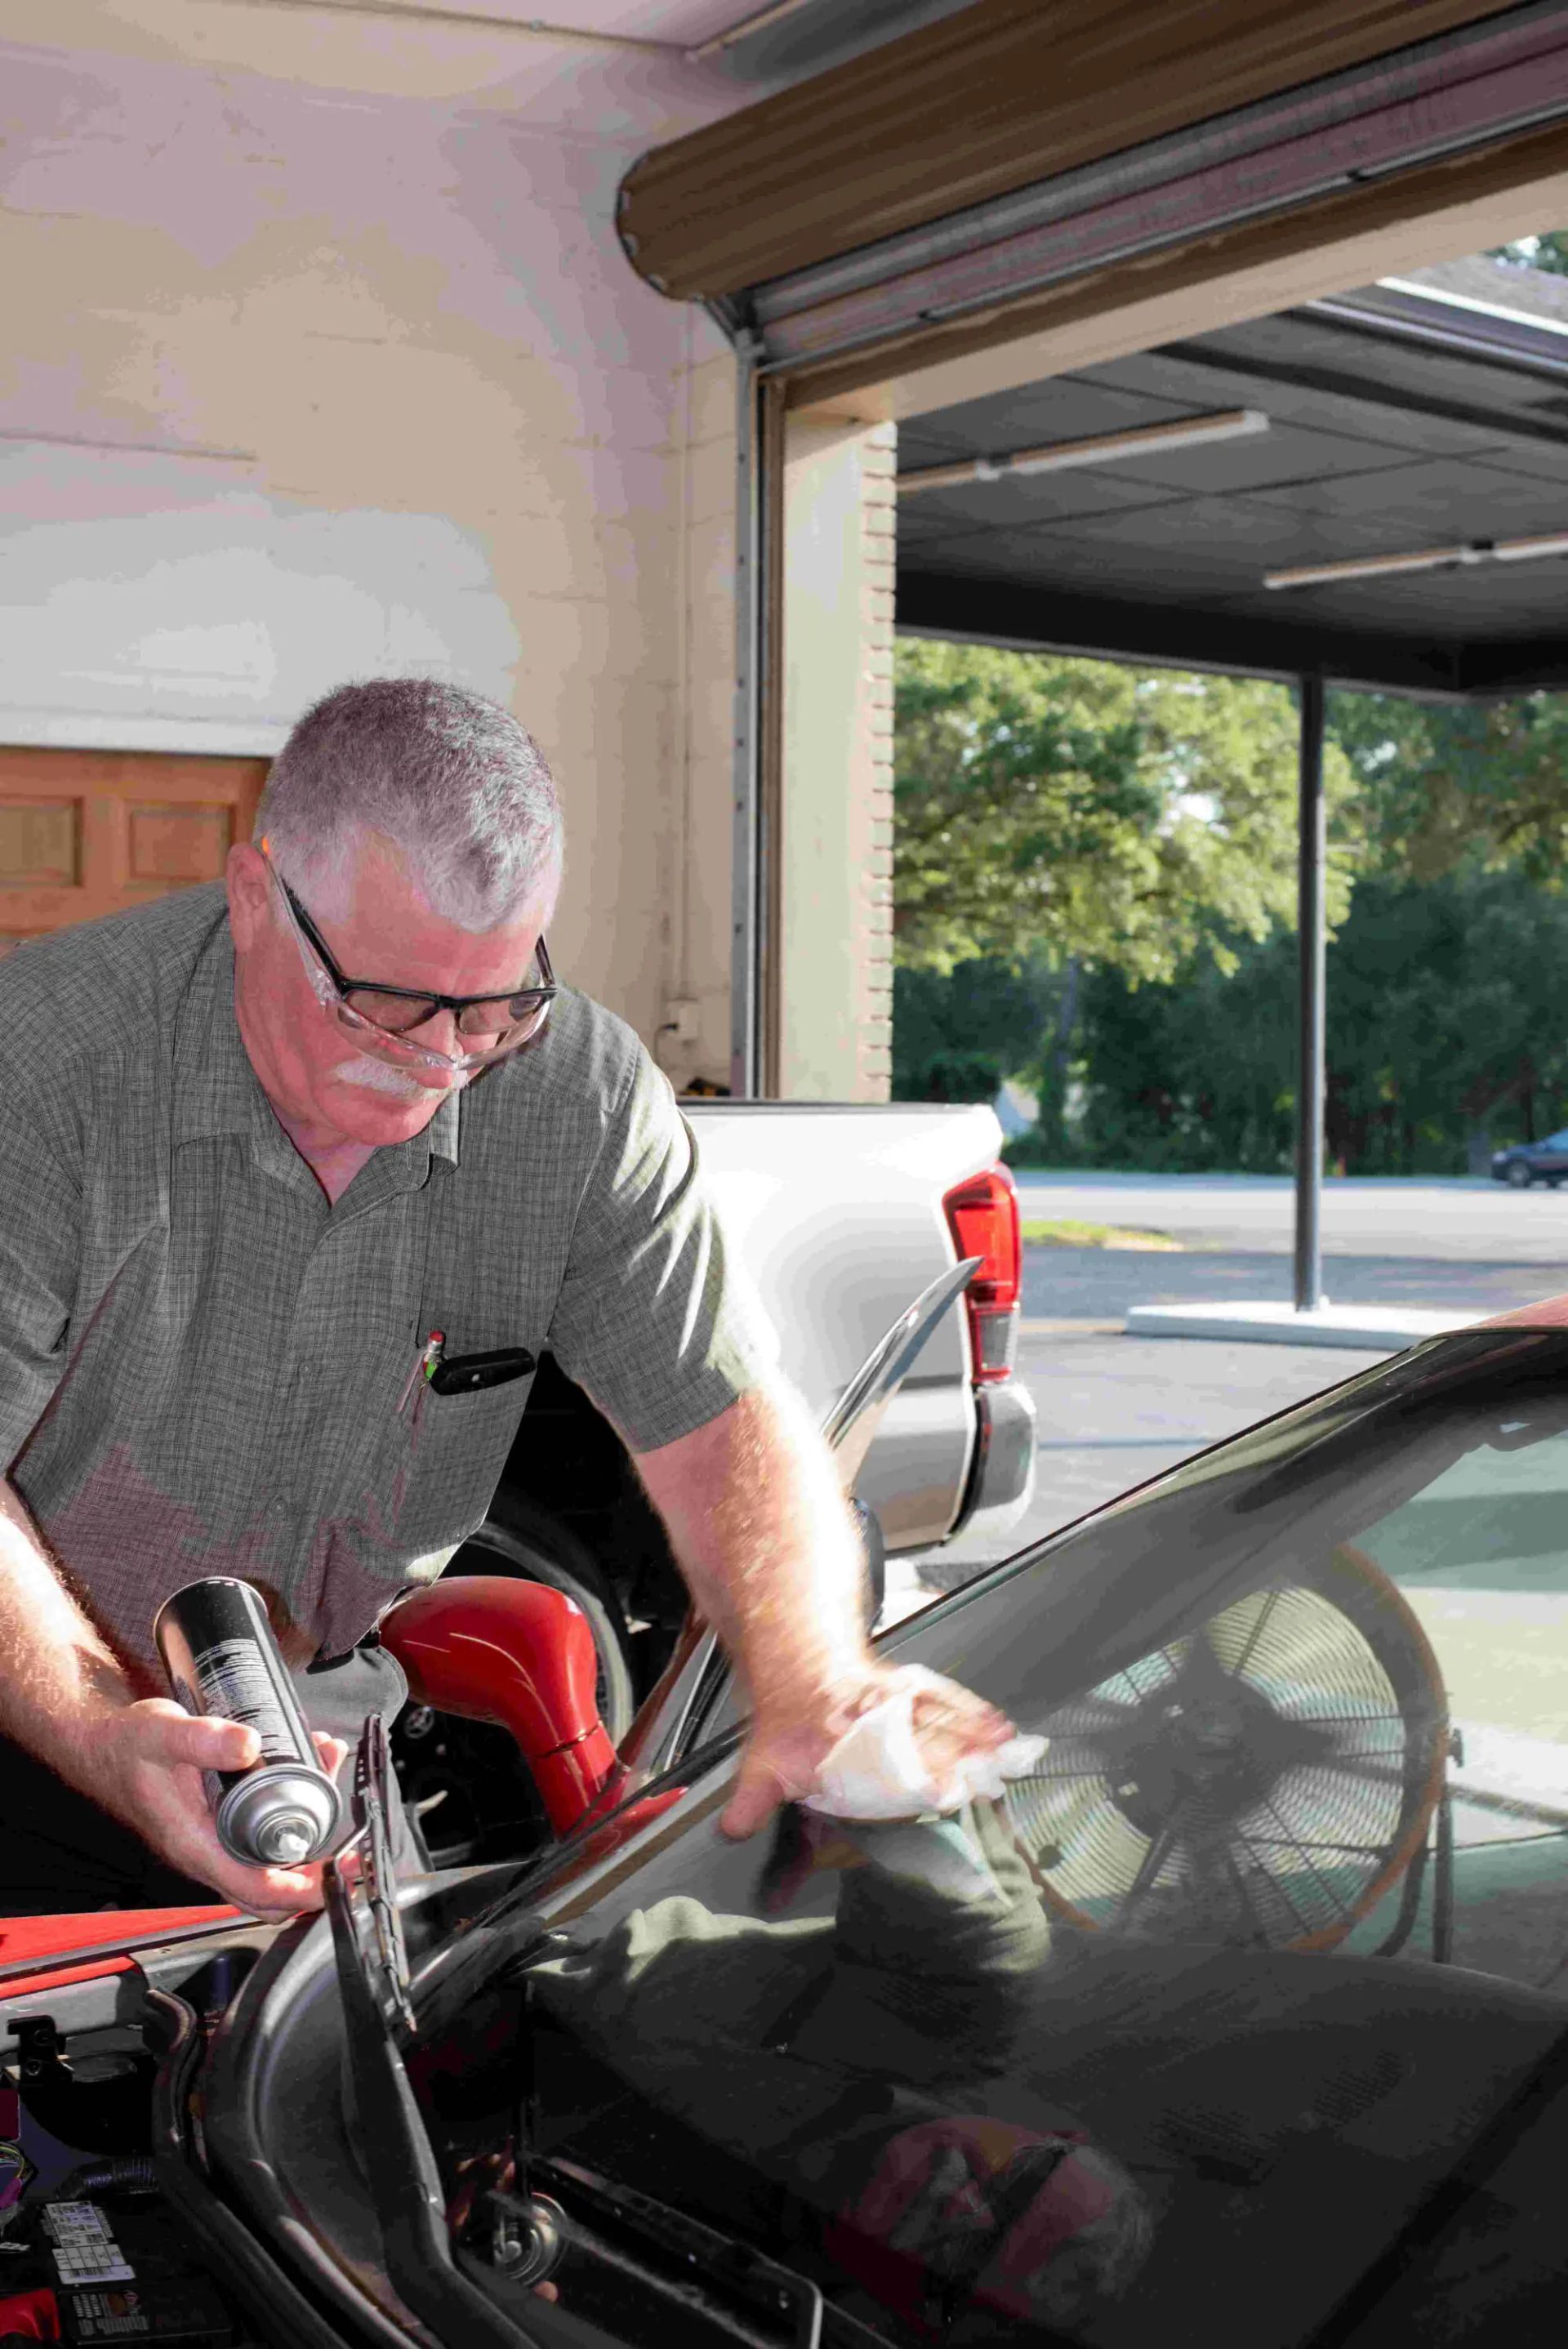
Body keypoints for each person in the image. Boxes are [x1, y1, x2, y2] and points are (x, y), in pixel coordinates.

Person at [0, 679, 1009, 1920]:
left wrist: (813, 1684)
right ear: (256, 898)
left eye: (493, 1006)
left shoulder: (574, 1096)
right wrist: (104, 1733)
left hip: (312, 1734)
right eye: (383, 1003)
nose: (440, 1060)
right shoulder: (42, 1074)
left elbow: (719, 1417)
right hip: (40, 1699)